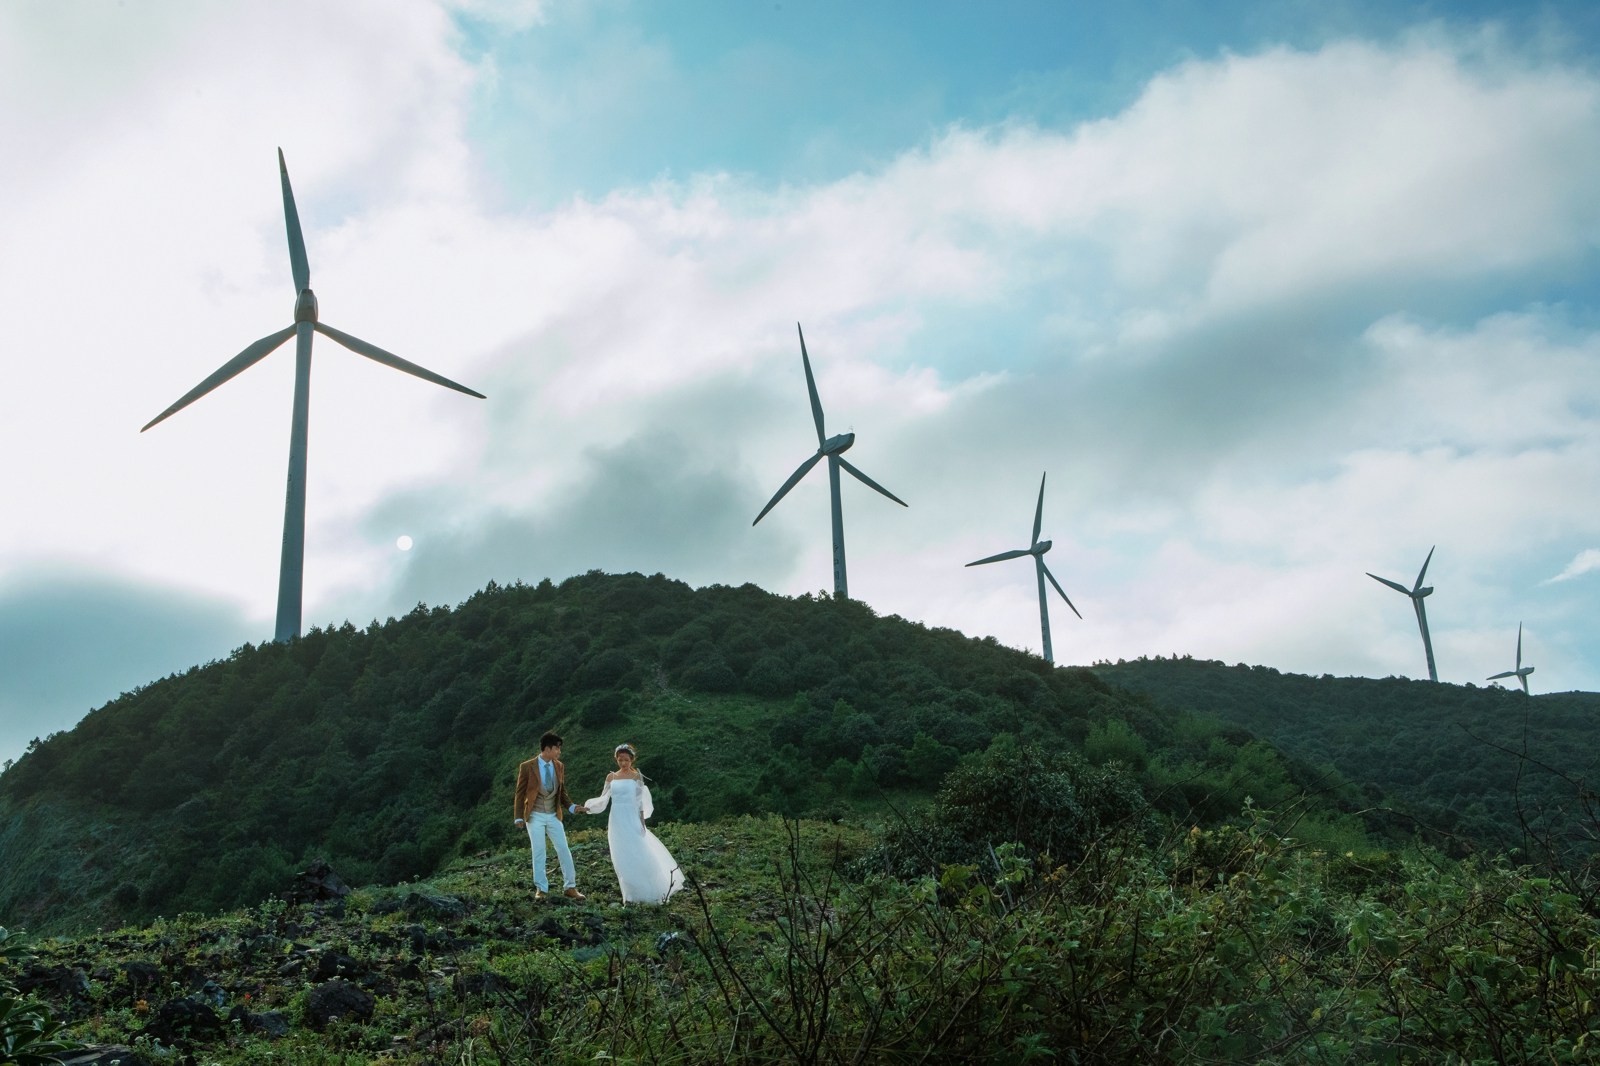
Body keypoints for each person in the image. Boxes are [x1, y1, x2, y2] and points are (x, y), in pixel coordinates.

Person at [581, 744, 683, 904]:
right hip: (616, 817)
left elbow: (639, 803)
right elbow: (603, 799)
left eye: (626, 760)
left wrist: (641, 822)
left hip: (631, 816)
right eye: (620, 760)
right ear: (616, 760)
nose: (623, 763)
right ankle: (628, 895)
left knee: (637, 851)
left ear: (631, 760)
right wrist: (588, 807)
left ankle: (648, 890)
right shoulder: (611, 777)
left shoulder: (637, 777)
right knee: (620, 854)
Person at [513, 731, 586, 901]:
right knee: (539, 851)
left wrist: (572, 806)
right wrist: (518, 817)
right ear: (547, 749)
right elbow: (520, 792)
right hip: (535, 815)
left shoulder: (559, 766)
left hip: (553, 814)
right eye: (557, 748)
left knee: (564, 849)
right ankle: (541, 889)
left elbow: (562, 792)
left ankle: (570, 887)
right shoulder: (527, 766)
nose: (559, 752)